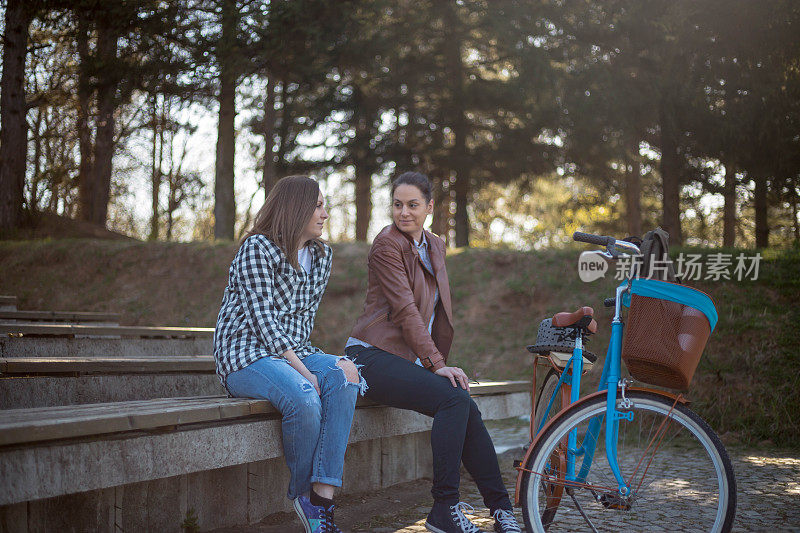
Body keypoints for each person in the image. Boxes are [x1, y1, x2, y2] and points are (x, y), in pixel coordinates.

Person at [344, 172, 521, 533]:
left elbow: (439, 310)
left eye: (412, 205)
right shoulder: (386, 245)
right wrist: (437, 364)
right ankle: (444, 508)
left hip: (404, 358)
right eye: (397, 205)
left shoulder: (434, 244)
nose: (403, 213)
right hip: (369, 356)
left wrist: (437, 363)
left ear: (429, 207)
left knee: (463, 401)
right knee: (454, 400)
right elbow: (407, 309)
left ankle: (502, 509)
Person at [214, 175, 365, 533]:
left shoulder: (322, 256)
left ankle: (323, 497)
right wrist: (303, 372)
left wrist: (315, 365)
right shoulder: (257, 249)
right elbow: (263, 322)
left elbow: (303, 321)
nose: (325, 214)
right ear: (296, 207)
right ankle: (304, 497)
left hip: (293, 351)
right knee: (305, 395)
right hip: (245, 354)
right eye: (318, 205)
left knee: (346, 376)